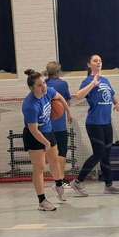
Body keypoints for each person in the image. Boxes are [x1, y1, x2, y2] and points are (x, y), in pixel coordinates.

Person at [70, 54, 119, 196]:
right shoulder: (87, 81)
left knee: (106, 155)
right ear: (89, 64)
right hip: (94, 123)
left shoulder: (106, 80)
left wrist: (116, 103)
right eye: (95, 60)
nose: (98, 62)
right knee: (99, 153)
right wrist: (93, 83)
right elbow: (79, 95)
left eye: (100, 60)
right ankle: (78, 182)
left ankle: (109, 185)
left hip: (106, 123)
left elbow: (111, 95)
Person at [23, 69, 70, 212]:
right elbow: (33, 130)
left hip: (48, 131)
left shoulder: (48, 91)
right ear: (32, 88)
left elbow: (61, 98)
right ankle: (42, 200)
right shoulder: (30, 105)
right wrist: (45, 142)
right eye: (39, 85)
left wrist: (68, 112)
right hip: (34, 136)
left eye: (43, 83)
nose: (43, 87)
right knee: (40, 167)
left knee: (54, 160)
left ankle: (58, 184)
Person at [45, 61, 75, 199]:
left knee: (51, 154)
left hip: (46, 126)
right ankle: (60, 180)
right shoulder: (62, 84)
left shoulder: (43, 84)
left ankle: (56, 180)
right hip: (59, 125)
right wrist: (66, 111)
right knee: (62, 152)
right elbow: (66, 102)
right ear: (58, 71)